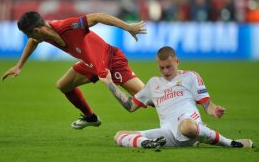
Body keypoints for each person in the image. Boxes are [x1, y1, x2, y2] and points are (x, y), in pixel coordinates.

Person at [1, 11, 147, 130]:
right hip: (89, 64)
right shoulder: (43, 35)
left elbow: (98, 17)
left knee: (147, 96)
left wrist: (128, 27)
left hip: (111, 60)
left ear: (36, 30)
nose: (29, 37)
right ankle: (91, 118)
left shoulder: (68, 26)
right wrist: (19, 66)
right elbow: (33, 41)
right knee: (63, 85)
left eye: (28, 34)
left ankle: (168, 105)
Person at [99, 46, 253, 148]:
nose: (165, 71)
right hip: (168, 133)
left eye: (169, 67)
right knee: (119, 136)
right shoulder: (153, 84)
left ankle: (231, 143)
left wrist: (214, 110)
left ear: (177, 62)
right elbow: (131, 106)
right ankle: (149, 143)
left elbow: (208, 106)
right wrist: (110, 84)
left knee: (186, 126)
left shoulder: (190, 77)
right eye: (161, 68)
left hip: (189, 124)